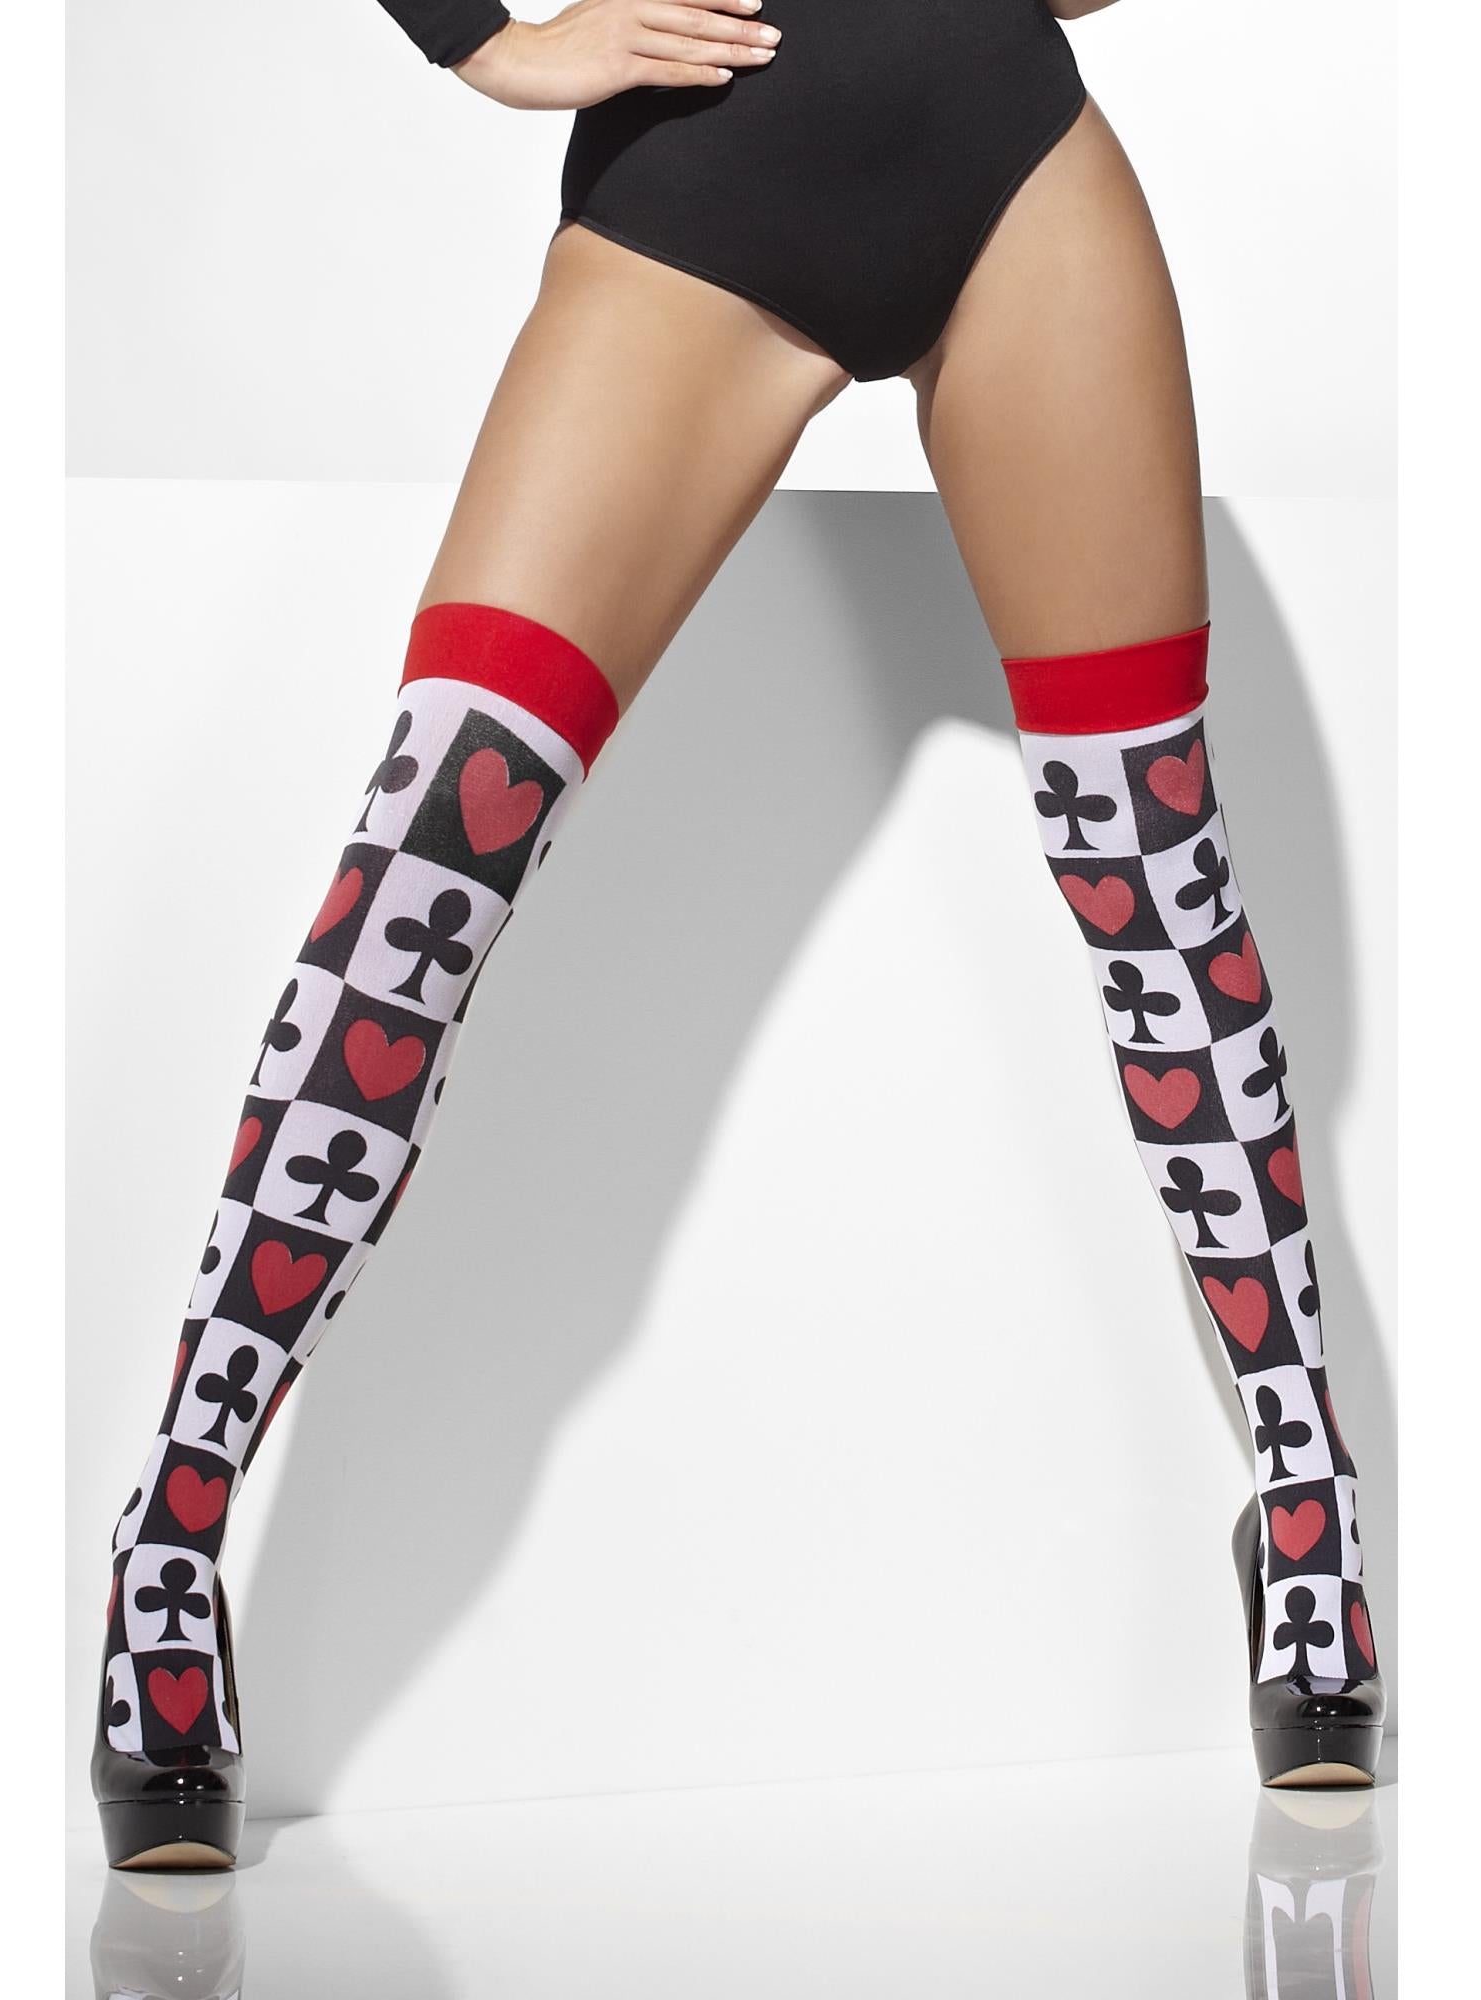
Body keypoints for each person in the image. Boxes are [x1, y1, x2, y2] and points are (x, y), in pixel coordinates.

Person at [91, 0, 1385, 1871]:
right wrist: (472, 38)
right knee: (438, 843)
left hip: (1016, 161)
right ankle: (172, 1544)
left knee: (1156, 864)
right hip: (710, 183)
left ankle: (1307, 1507)